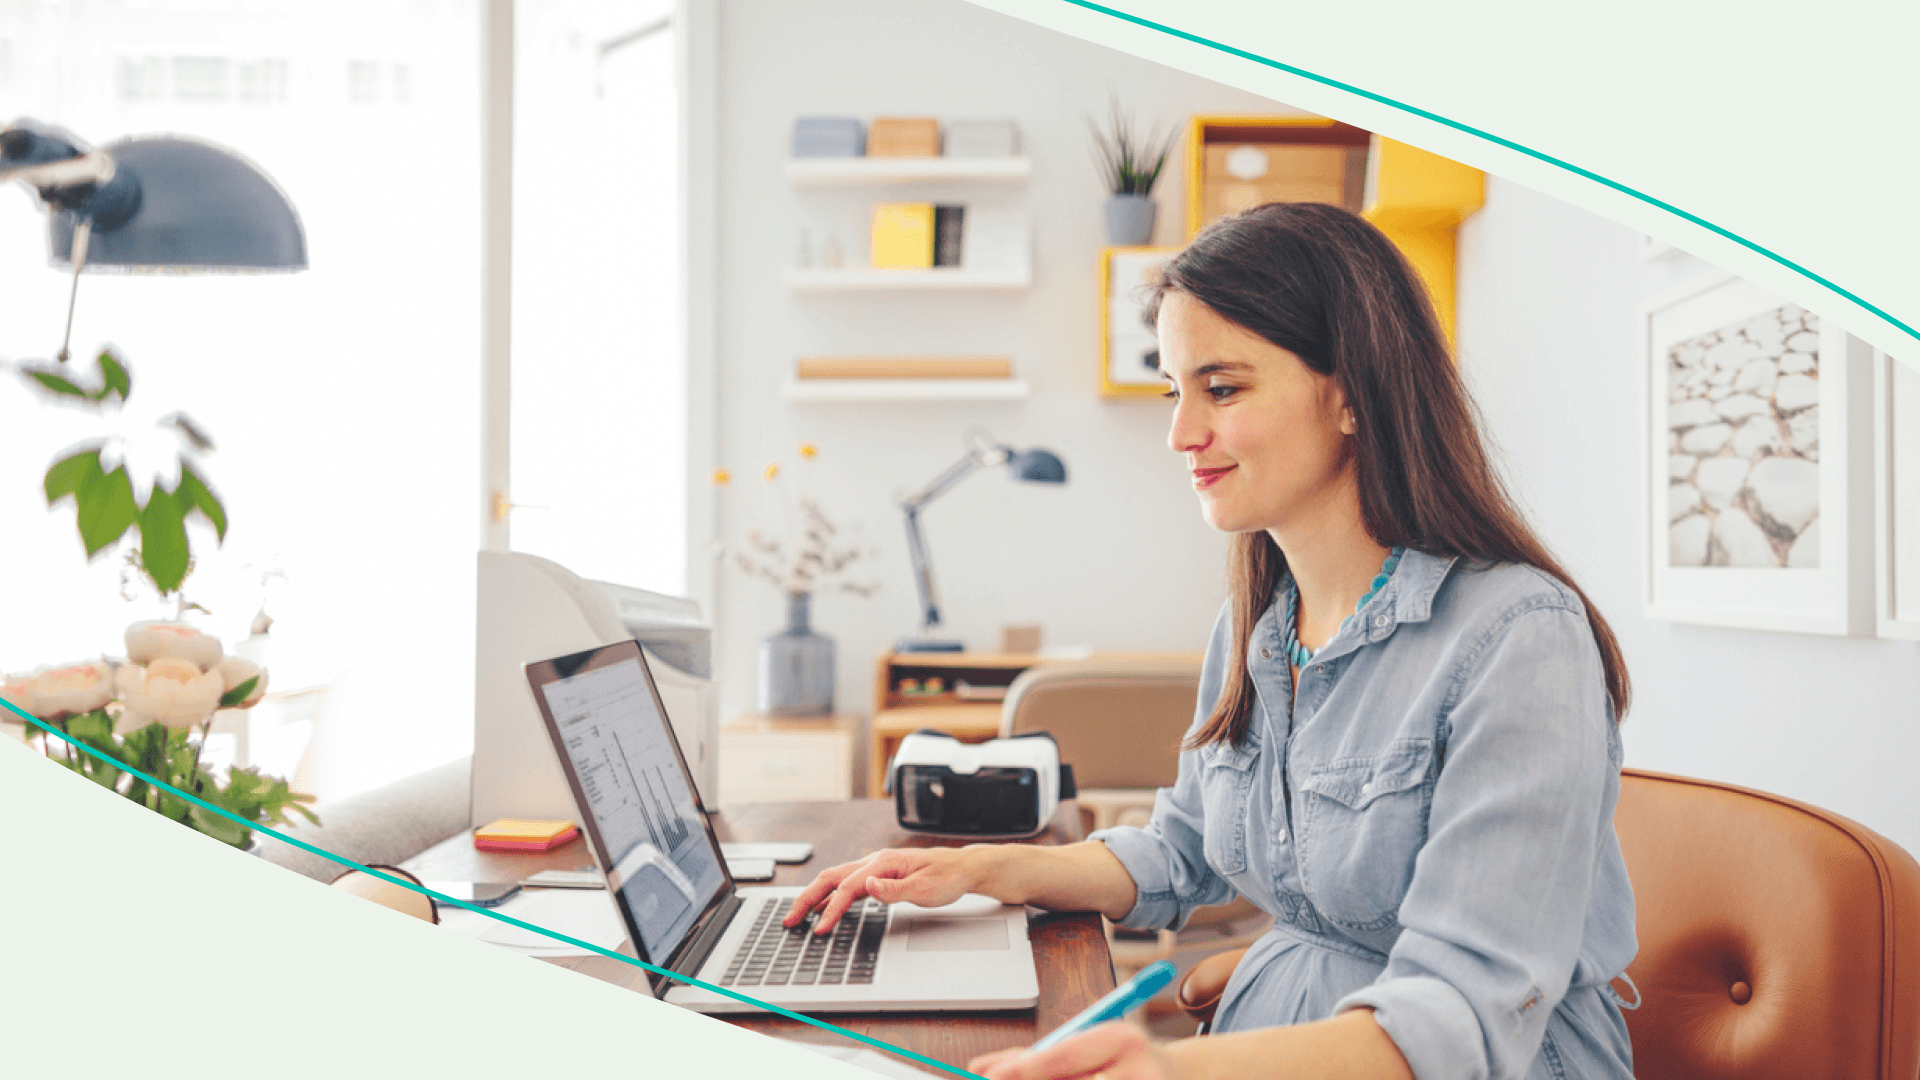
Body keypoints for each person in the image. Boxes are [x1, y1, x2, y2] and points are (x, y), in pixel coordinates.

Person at [783, 201, 1638, 1080]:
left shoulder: (1518, 640)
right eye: (1174, 391)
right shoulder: (1258, 626)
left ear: (1351, 394)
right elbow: (1181, 849)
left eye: (1221, 389)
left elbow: (1463, 1014)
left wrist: (1166, 1071)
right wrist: (980, 871)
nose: (1180, 434)